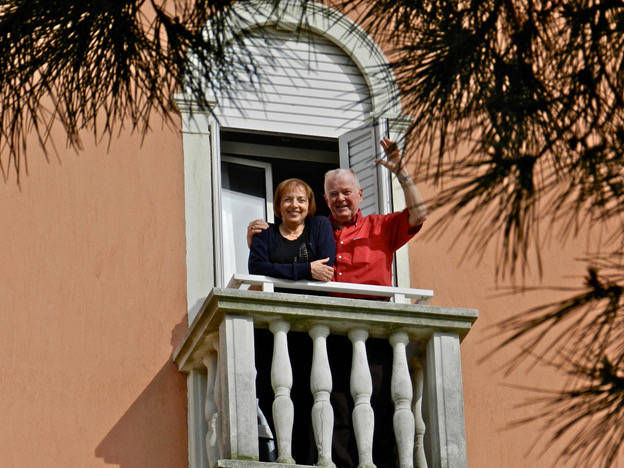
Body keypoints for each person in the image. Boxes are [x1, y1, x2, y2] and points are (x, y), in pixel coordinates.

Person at [247, 138, 427, 468]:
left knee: (378, 404)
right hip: (327, 334)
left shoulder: (380, 226)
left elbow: (419, 214)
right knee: (336, 406)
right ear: (325, 199)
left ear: (360, 195)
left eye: (347, 192)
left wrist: (402, 173)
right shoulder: (315, 229)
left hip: (372, 332)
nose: (341, 198)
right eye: (333, 193)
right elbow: (280, 249)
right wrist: (257, 236)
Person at [248, 177, 335, 282]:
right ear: (278, 205)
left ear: (309, 205)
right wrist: (307, 269)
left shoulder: (320, 225)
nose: (294, 205)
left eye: (301, 200)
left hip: (313, 297)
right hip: (275, 297)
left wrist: (275, 270)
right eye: (288, 199)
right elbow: (256, 269)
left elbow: (325, 269)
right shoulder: (265, 232)